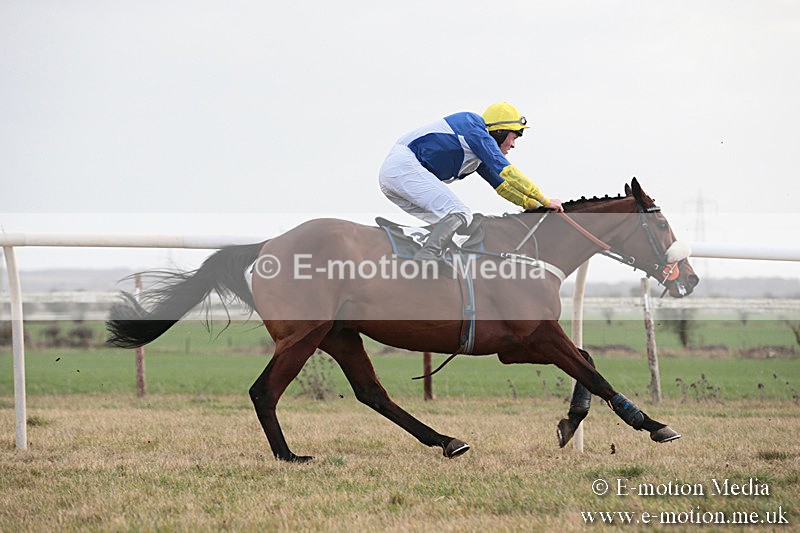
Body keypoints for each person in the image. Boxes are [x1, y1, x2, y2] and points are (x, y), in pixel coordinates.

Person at [379, 102, 564, 261]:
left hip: (396, 176)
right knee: (460, 213)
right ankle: (427, 257)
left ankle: (428, 257)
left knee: (455, 226)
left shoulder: (478, 151)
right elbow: (509, 173)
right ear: (500, 132)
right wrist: (545, 200)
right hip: (403, 167)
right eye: (513, 137)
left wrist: (533, 206)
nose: (513, 145)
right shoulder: (474, 128)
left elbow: (503, 187)